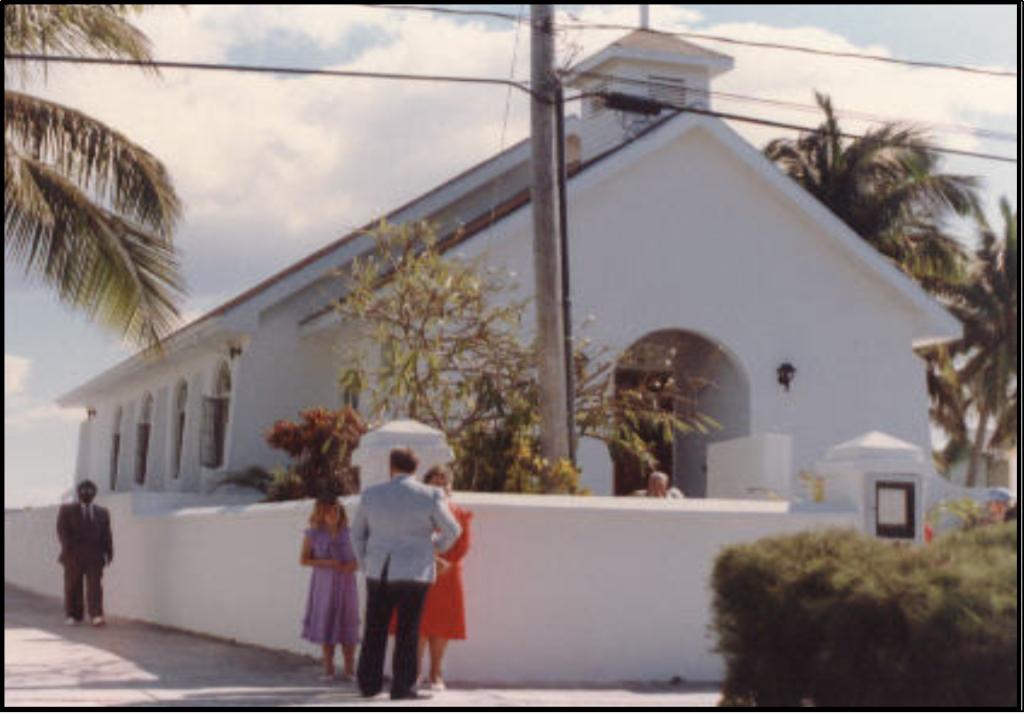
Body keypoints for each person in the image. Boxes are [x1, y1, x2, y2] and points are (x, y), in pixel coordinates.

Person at [351, 447, 461, 700]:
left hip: (379, 569)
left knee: (374, 628)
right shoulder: (430, 494)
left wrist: (364, 562)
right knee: (408, 630)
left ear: (391, 467)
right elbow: (453, 530)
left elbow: (356, 533)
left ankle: (369, 685)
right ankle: (403, 688)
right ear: (416, 468)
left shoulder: (372, 494)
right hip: (414, 570)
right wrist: (433, 546)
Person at [387, 465, 473, 691]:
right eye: (434, 481)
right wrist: (429, 557)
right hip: (419, 571)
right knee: (419, 624)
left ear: (450, 486)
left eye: (444, 481)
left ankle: (436, 673)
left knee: (442, 626)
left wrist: (445, 562)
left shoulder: (460, 513)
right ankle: (414, 673)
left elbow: (462, 545)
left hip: (447, 575)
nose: (440, 485)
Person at [299, 495, 360, 681]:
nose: (333, 515)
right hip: (323, 584)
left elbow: (360, 559)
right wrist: (328, 562)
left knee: (348, 623)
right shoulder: (313, 534)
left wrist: (353, 565)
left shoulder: (351, 533)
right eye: (328, 511)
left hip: (346, 583)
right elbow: (303, 559)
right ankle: (329, 669)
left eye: (336, 511)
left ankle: (350, 670)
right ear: (321, 513)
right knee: (326, 622)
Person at [56, 479, 113, 626]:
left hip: (95, 556)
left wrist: (109, 551)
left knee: (95, 587)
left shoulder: (102, 513)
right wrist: (68, 549)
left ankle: (96, 615)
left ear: (94, 493)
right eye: (83, 491)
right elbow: (62, 531)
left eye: (90, 491)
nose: (86, 494)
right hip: (73, 555)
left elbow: (106, 534)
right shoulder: (67, 510)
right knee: (73, 586)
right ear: (78, 493)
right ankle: (73, 615)